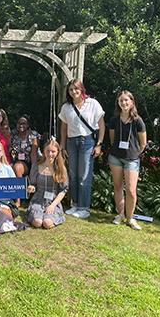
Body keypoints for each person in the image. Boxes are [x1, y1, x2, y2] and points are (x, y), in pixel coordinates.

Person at [59, 79, 105, 219]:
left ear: (81, 89)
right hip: (72, 142)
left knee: (84, 175)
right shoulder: (66, 107)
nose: (73, 92)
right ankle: (75, 204)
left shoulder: (93, 103)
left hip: (87, 141)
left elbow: (101, 125)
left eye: (76, 89)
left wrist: (99, 144)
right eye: (71, 89)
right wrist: (62, 144)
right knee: (73, 175)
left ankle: (84, 208)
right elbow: (64, 127)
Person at [108, 91, 147, 230]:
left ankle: (130, 218)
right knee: (118, 187)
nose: (123, 103)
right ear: (118, 103)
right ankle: (120, 214)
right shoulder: (114, 120)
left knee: (131, 190)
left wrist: (134, 153)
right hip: (115, 158)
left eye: (126, 100)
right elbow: (113, 140)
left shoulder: (138, 121)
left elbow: (143, 143)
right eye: (121, 101)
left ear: (132, 102)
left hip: (132, 159)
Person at [26, 139, 68, 229]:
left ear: (57, 152)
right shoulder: (36, 165)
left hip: (52, 200)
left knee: (47, 223)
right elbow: (33, 185)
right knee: (37, 222)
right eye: (48, 151)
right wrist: (31, 188)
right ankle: (36, 214)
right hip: (38, 199)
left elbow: (63, 190)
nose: (50, 154)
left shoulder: (61, 168)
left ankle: (53, 216)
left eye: (53, 151)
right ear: (44, 151)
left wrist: (52, 206)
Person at [10, 114, 39, 206]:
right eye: (19, 123)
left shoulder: (33, 135)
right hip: (15, 159)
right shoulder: (13, 134)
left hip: (29, 161)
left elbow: (34, 153)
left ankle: (18, 199)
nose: (21, 125)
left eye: (24, 123)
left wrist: (33, 169)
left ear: (28, 125)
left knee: (17, 167)